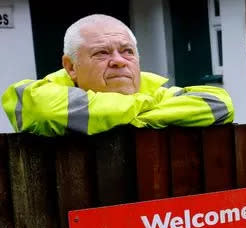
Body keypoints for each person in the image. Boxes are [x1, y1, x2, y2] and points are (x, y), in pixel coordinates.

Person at [1, 14, 233, 137]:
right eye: (102, 52)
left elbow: (221, 104)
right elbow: (46, 111)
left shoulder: (152, 91)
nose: (119, 60)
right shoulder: (33, 94)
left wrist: (128, 116)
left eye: (127, 52)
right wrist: (143, 111)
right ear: (70, 67)